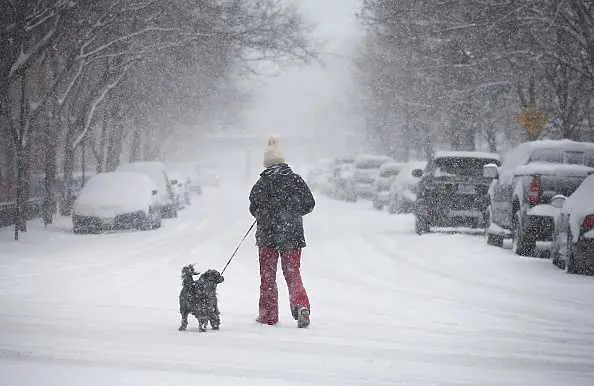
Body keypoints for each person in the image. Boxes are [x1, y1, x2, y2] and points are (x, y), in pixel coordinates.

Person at [249, 136, 315, 328]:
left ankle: (268, 315)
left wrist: (266, 214)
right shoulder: (295, 180)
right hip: (291, 235)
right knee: (292, 273)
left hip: (267, 236)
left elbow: (254, 208)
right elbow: (309, 204)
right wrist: (292, 213)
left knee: (268, 276)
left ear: (267, 163)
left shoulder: (262, 183)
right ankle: (301, 306)